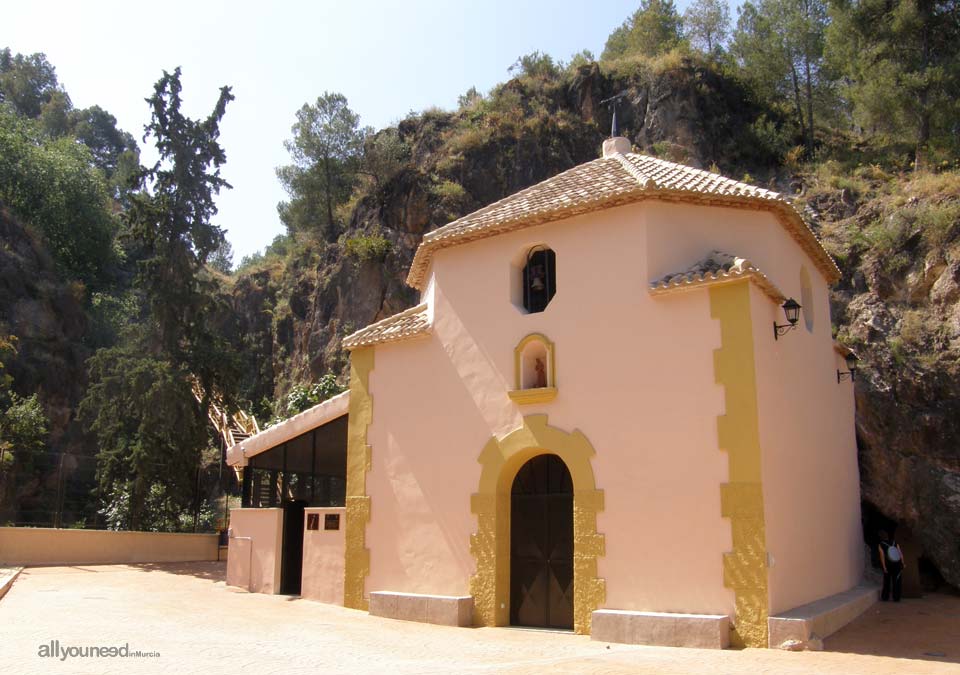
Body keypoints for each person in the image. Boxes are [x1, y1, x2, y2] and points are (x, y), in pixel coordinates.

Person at [878, 529, 904, 602]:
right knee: (897, 581)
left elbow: (882, 556)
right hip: (897, 564)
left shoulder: (881, 544)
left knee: (887, 581)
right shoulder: (895, 542)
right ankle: (896, 597)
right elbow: (900, 553)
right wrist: (902, 563)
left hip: (888, 565)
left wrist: (884, 567)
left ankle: (885, 597)